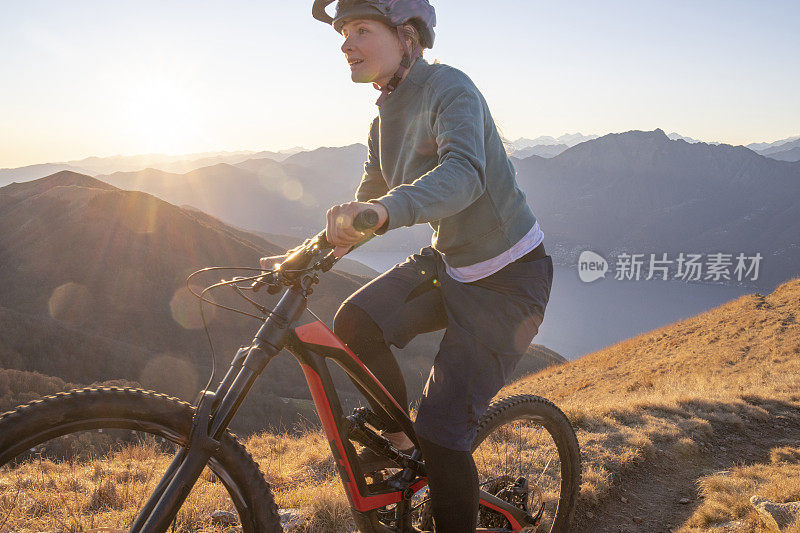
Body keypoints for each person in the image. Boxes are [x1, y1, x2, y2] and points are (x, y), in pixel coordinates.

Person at [312, 1, 554, 530]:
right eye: (342, 34)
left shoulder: (451, 88)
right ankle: (405, 447)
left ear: (406, 37)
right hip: (451, 263)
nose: (346, 44)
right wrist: (313, 252)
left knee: (444, 432)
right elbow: (370, 196)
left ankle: (434, 456)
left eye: (360, 30)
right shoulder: (383, 119)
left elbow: (463, 174)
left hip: (508, 280)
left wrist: (383, 211)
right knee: (356, 322)